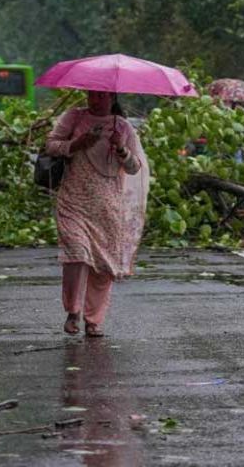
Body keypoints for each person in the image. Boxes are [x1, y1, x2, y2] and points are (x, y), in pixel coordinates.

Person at [45, 91, 149, 337]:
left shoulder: (122, 127)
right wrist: (78, 143)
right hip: (74, 201)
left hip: (108, 206)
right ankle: (73, 311)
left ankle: (94, 320)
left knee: (103, 266)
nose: (95, 100)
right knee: (77, 255)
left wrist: (121, 148)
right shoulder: (73, 118)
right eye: (91, 95)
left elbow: (134, 168)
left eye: (101, 96)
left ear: (112, 98)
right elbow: (51, 146)